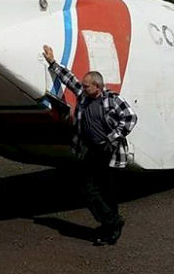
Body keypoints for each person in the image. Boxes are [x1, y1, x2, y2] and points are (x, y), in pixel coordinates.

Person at [42, 44, 138, 245]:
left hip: (108, 151)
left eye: (87, 86)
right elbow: (69, 80)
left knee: (103, 190)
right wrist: (52, 62)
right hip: (91, 150)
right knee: (91, 188)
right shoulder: (84, 96)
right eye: (83, 85)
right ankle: (112, 224)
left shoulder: (112, 100)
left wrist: (112, 137)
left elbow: (130, 117)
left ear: (97, 86)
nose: (82, 88)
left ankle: (111, 226)